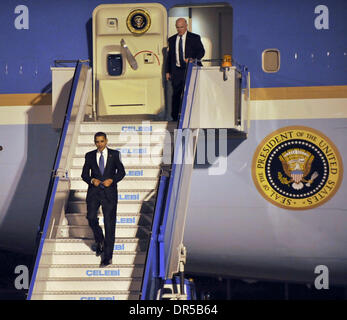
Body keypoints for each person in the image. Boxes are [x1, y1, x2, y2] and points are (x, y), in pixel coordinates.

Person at [81, 132, 125, 267]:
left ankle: (107, 257)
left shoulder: (115, 154)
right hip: (94, 193)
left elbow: (122, 172)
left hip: (109, 194)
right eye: (97, 142)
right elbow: (84, 174)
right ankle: (100, 239)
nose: (99, 144)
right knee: (91, 217)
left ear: (106, 141)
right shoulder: (89, 155)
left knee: (109, 225)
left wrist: (112, 180)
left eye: (101, 141)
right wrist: (92, 180)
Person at [165, 18, 205, 121]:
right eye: (177, 27)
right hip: (177, 70)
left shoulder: (194, 38)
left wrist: (193, 59)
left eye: (181, 27)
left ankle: (193, 116)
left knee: (191, 93)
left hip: (190, 69)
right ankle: (175, 117)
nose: (179, 29)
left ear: (186, 26)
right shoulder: (172, 40)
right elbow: (169, 57)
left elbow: (201, 51)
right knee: (176, 94)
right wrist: (168, 71)